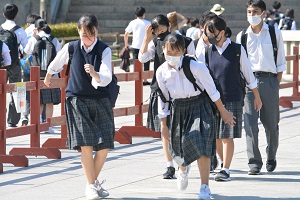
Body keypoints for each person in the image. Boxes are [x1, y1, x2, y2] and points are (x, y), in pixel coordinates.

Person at [156, 33, 235, 199]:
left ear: (184, 51)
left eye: (177, 52)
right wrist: (163, 125)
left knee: (203, 145)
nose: (172, 56)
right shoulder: (161, 72)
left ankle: (204, 186)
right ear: (163, 50)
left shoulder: (196, 66)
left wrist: (224, 112)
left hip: (200, 105)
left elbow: (212, 91)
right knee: (178, 147)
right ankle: (182, 169)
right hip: (178, 108)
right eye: (169, 52)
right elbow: (162, 98)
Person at [44, 14, 114, 199]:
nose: (88, 39)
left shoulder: (103, 50)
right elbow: (57, 62)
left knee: (105, 145)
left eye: (91, 34)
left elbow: (106, 76)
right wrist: (49, 74)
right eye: (84, 35)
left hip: (100, 98)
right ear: (78, 32)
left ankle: (92, 182)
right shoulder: (72, 47)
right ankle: (91, 185)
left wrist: (95, 73)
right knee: (86, 145)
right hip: (77, 99)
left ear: (97, 31)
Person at [200, 16, 262, 181]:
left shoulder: (236, 49)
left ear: (222, 32)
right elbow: (200, 75)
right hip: (213, 100)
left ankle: (226, 169)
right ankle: (222, 163)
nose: (210, 38)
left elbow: (249, 74)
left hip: (232, 97)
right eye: (207, 35)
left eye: (212, 34)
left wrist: (256, 96)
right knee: (217, 136)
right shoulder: (206, 51)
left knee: (227, 135)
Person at [138, 14, 195, 180]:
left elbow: (194, 63)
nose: (161, 36)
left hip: (182, 91)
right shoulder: (155, 42)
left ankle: (182, 160)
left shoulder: (186, 41)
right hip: (161, 90)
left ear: (169, 27)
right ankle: (170, 165)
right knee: (165, 129)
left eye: (163, 31)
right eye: (158, 33)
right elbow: (142, 58)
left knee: (181, 129)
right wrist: (146, 38)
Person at [236, 0, 286, 175]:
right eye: (249, 11)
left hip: (270, 81)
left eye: (255, 11)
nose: (252, 15)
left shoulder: (274, 32)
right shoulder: (242, 36)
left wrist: (275, 83)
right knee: (250, 124)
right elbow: (240, 65)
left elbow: (281, 62)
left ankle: (271, 155)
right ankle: (254, 162)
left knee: (271, 124)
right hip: (249, 83)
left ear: (263, 13)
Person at [23, 18, 61, 134]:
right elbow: (59, 57)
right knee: (49, 102)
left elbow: (26, 52)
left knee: (38, 101)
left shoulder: (34, 39)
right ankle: (48, 126)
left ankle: (38, 125)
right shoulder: (54, 39)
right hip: (51, 74)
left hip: (37, 73)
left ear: (36, 28)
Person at [1, 3, 28, 127]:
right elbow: (27, 49)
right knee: (16, 92)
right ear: (16, 15)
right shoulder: (20, 31)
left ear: (3, 14)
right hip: (14, 65)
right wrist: (20, 57)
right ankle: (12, 121)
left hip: (1, 66)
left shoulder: (0, 29)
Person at [20, 13, 41, 126]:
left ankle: (24, 114)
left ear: (28, 23)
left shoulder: (22, 32)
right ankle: (40, 117)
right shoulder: (40, 32)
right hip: (38, 66)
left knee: (24, 90)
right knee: (39, 91)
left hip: (24, 65)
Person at [124, 6, 151, 84]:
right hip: (146, 45)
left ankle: (137, 79)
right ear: (144, 14)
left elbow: (126, 34)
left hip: (135, 45)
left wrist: (126, 44)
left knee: (136, 62)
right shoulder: (148, 23)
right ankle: (145, 80)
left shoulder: (133, 22)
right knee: (146, 62)